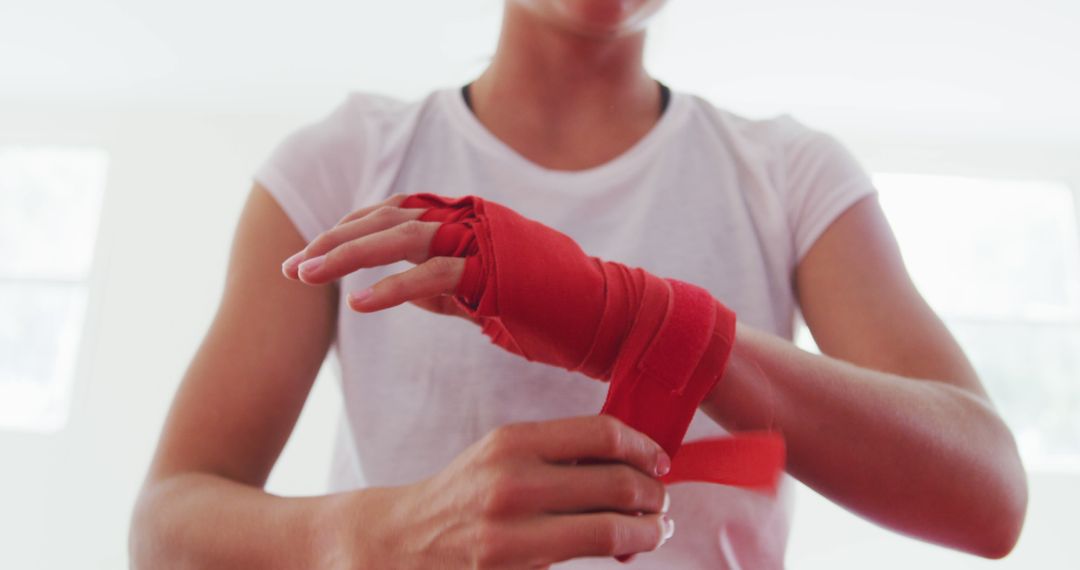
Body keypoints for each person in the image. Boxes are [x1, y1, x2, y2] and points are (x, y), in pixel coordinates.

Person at [129, 1, 1028, 568]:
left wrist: (638, 321)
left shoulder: (790, 176)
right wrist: (372, 535)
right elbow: (166, 527)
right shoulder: (342, 163)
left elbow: (987, 497)